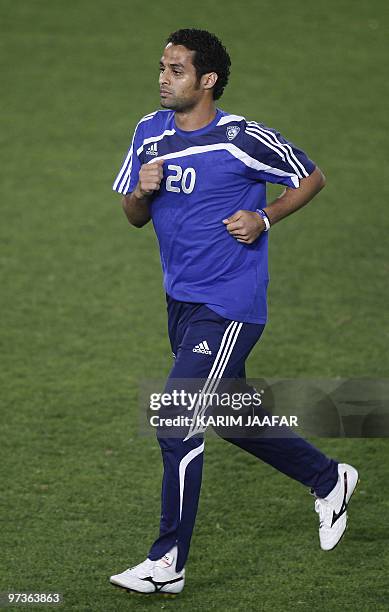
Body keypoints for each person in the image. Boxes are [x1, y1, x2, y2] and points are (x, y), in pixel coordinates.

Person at [109, 29, 358, 596]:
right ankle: (329, 478)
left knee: (177, 419)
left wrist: (264, 219)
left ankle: (167, 563)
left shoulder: (241, 139)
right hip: (182, 303)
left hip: (229, 305)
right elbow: (132, 216)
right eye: (162, 68)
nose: (164, 78)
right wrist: (141, 192)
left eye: (176, 70)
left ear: (207, 80)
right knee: (228, 415)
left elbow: (311, 176)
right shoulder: (148, 133)